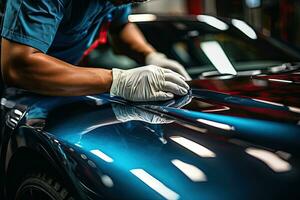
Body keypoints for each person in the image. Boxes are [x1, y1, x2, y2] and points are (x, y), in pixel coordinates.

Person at [0, 0, 191, 102]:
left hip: (55, 89)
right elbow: (18, 67)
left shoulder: (116, 1)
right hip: (11, 94)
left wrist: (151, 55)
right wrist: (118, 81)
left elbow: (120, 27)